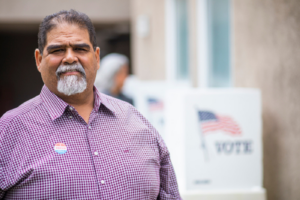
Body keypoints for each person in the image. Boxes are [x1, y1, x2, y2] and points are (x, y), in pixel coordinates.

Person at [0, 10, 181, 199]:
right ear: (39, 60)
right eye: (57, 50)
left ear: (96, 57)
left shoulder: (137, 122)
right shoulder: (10, 130)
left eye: (80, 49)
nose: (70, 58)